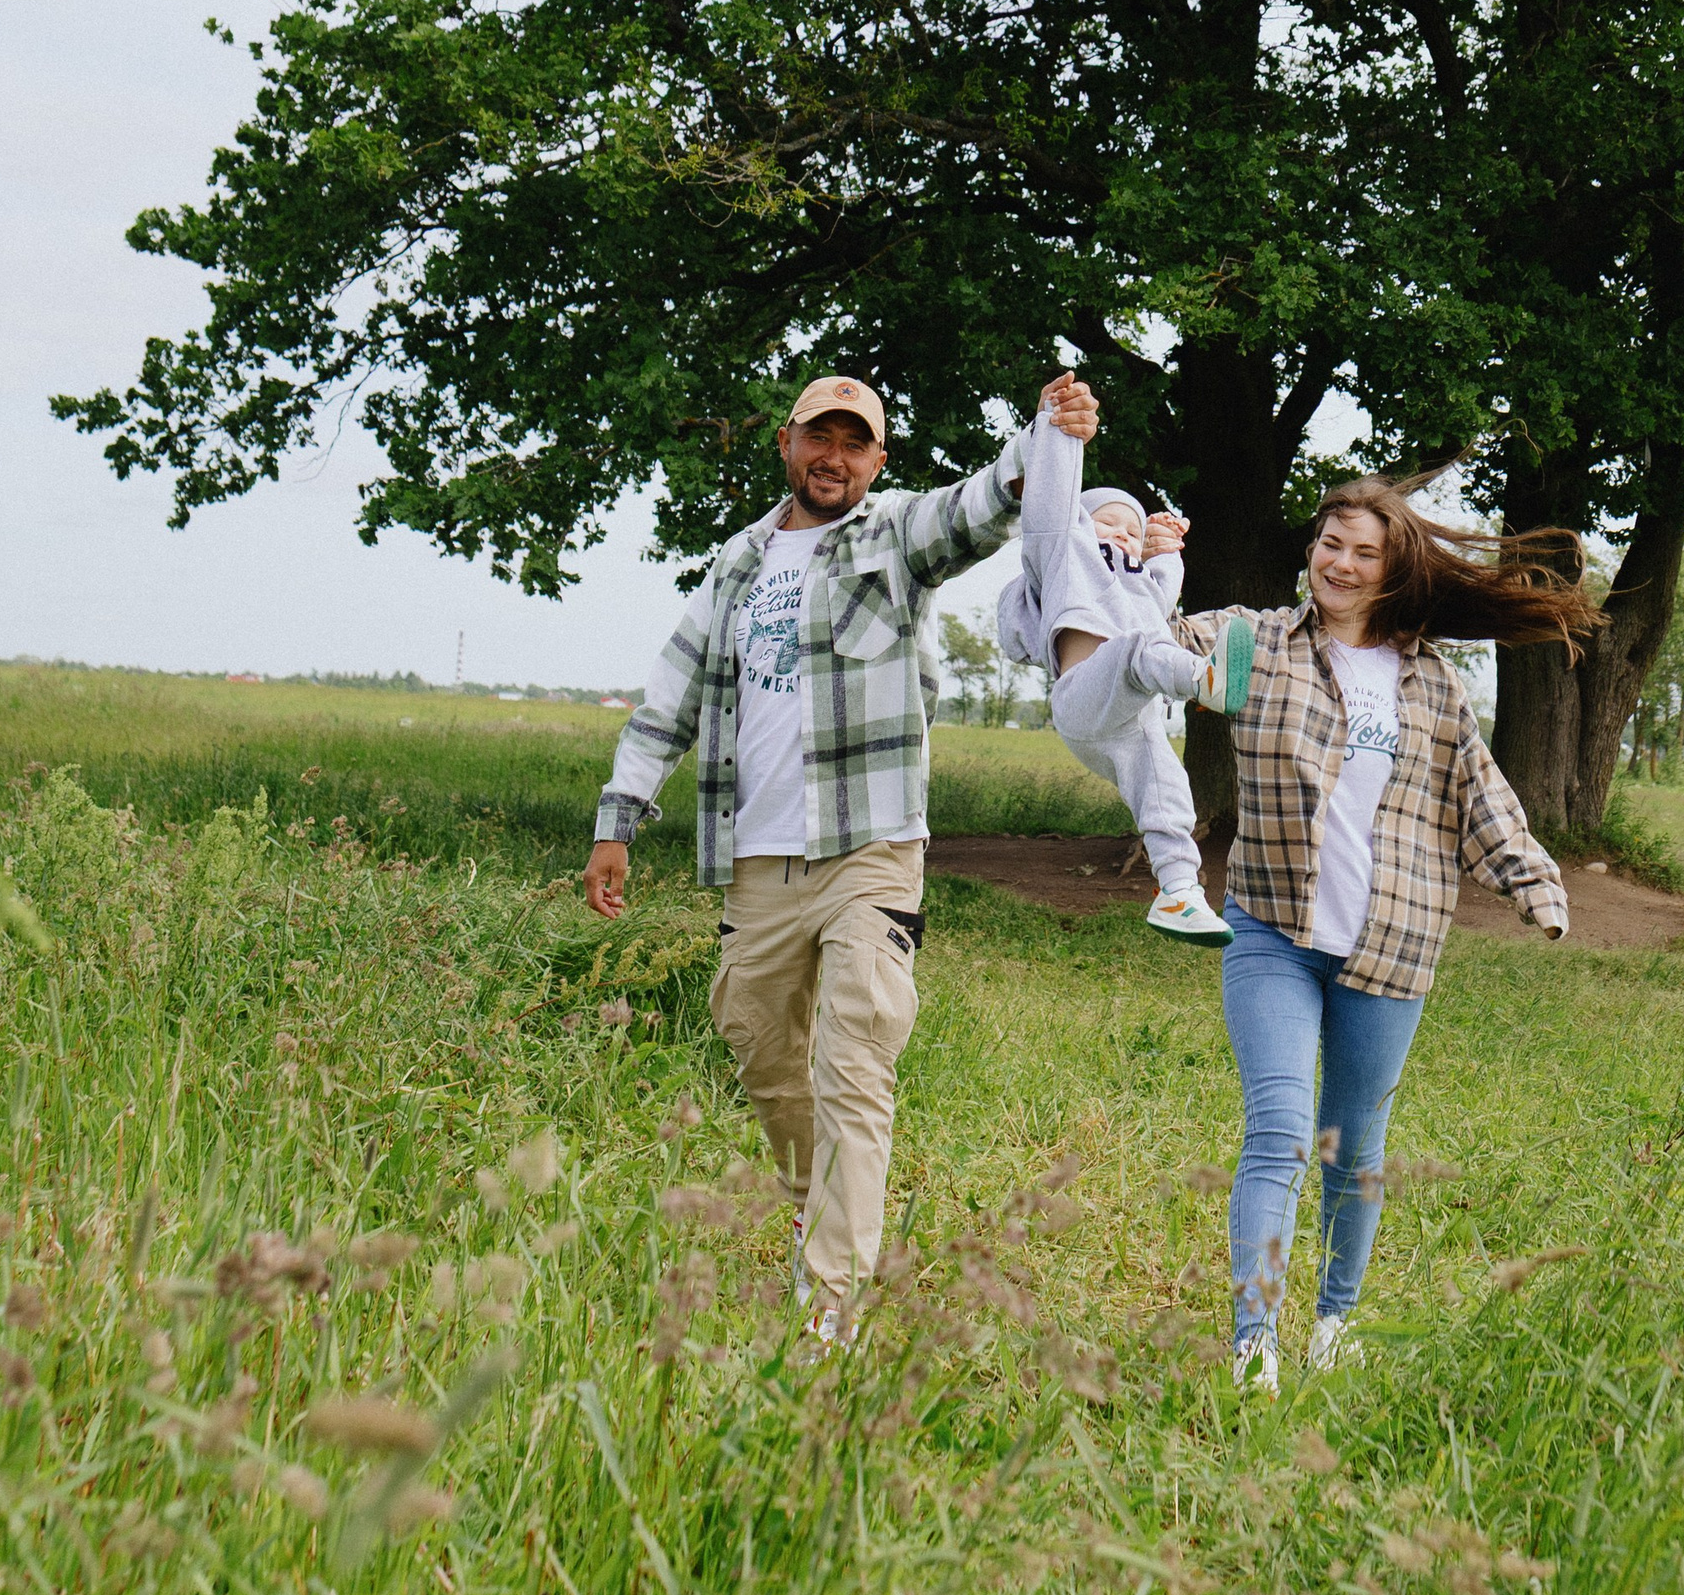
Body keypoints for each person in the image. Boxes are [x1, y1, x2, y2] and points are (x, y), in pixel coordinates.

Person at [583, 365, 1099, 1342]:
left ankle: (832, 1309)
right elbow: (672, 696)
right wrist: (618, 819)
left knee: (854, 1055)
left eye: (855, 441)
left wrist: (1043, 446)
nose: (834, 456)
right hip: (758, 859)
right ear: (786, 442)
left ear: (878, 459)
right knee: (755, 1038)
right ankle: (813, 1197)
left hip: (871, 846)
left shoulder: (893, 533)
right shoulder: (736, 562)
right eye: (819, 436)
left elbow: (977, 507)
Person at [1172, 475, 1601, 1391]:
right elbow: (1161, 648)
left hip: (1393, 938)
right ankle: (1255, 1342)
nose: (1342, 562)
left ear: (1392, 568)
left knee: (1354, 1143)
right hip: (1271, 927)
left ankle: (1333, 1318)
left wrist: (1533, 881)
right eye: (1332, 543)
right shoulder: (1259, 641)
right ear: (1310, 549)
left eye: (1365, 551)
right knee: (1282, 1130)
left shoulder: (1431, 682)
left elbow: (1476, 789)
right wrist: (1131, 564)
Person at [995, 402, 1251, 940]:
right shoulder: (1066, 557)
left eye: (1130, 533)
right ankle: (1206, 682)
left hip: (1129, 714)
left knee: (1164, 786)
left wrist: (1164, 548)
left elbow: (1162, 592)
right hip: (1084, 693)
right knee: (1139, 648)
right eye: (1107, 524)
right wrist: (1061, 441)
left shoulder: (1140, 589)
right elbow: (1050, 513)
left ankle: (1179, 890)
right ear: (1083, 526)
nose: (1120, 535)